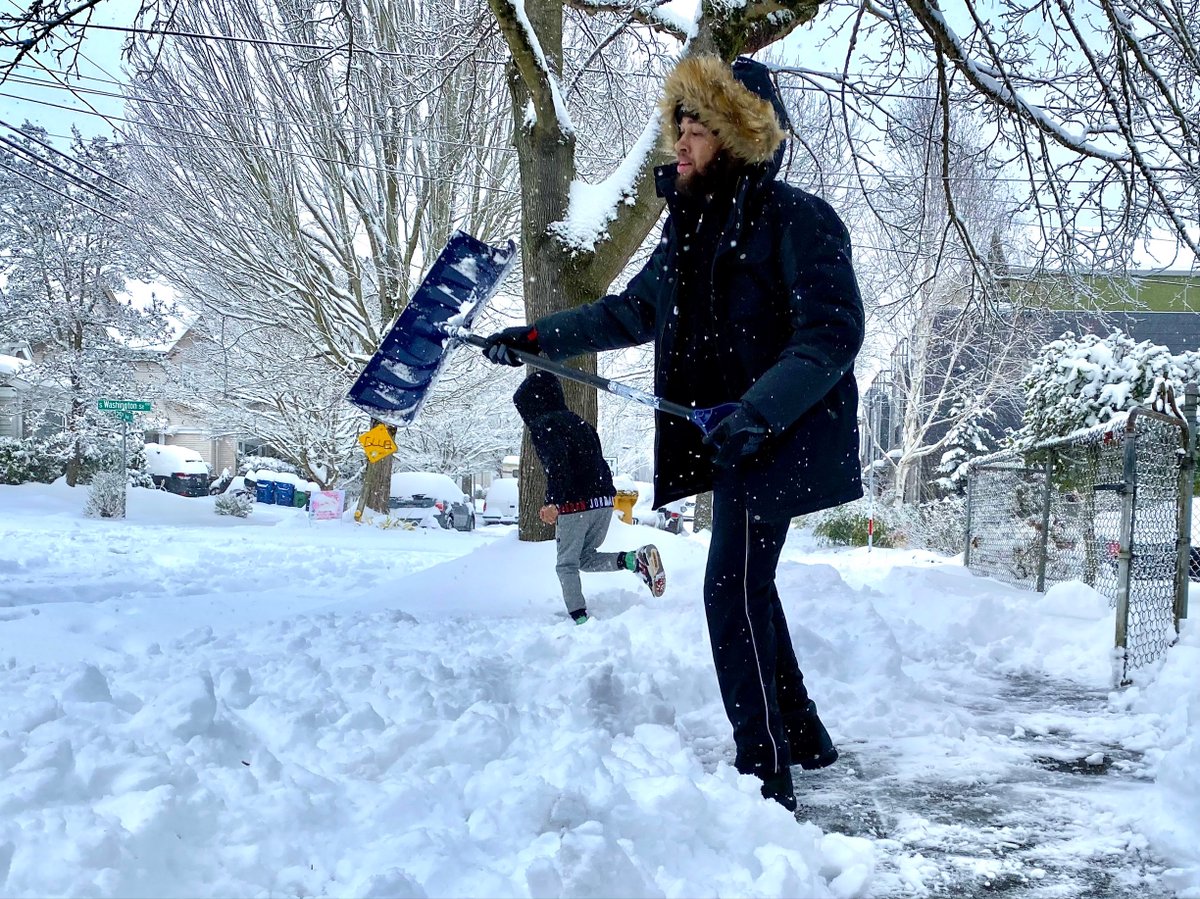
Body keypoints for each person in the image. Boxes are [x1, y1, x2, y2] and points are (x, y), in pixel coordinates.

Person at [482, 54, 864, 813]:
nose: (680, 144)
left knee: (729, 588)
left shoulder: (801, 222)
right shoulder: (690, 232)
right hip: (735, 436)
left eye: (697, 129)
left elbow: (831, 335)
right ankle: (804, 732)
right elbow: (627, 313)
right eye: (678, 127)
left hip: (778, 434)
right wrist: (535, 337)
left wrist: (757, 409)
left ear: (737, 136)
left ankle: (765, 773)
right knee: (750, 583)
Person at [513, 370, 666, 625]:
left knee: (566, 565)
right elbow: (597, 462)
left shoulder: (544, 426)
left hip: (576, 506)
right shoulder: (580, 422)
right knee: (584, 558)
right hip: (603, 503)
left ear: (532, 404)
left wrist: (553, 501)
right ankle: (632, 560)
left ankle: (580, 620)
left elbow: (557, 465)